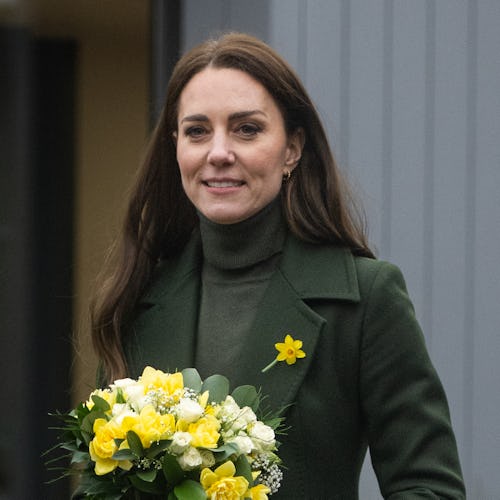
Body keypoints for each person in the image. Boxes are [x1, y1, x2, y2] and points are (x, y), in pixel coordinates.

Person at [90, 32, 465, 499]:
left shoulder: (365, 299)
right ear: (176, 147)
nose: (219, 152)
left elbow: (428, 488)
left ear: (292, 149)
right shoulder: (139, 296)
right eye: (197, 131)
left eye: (246, 129)